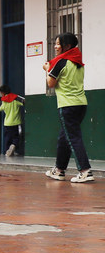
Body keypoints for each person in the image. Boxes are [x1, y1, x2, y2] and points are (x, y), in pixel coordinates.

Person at [44, 32, 93, 183]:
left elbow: (51, 84)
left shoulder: (61, 62)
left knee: (73, 138)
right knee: (64, 138)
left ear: (67, 46)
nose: (55, 46)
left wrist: (47, 69)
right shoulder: (79, 63)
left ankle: (85, 171)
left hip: (67, 106)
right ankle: (59, 170)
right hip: (81, 104)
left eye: (58, 44)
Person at [0, 85, 23, 157]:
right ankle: (13, 146)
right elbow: (24, 101)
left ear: (2, 92)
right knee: (16, 137)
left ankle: (7, 151)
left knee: (7, 138)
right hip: (16, 122)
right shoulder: (16, 98)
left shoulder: (3, 101)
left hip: (7, 123)